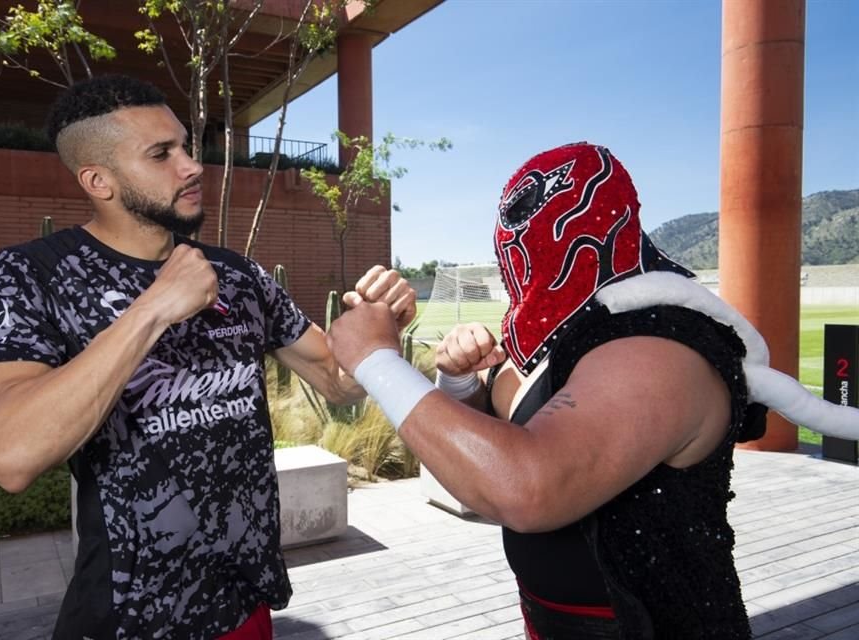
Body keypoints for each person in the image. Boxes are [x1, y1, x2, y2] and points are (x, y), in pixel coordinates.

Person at [326, 142, 859, 639]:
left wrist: (376, 360)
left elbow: (526, 487)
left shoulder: (657, 344)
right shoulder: (569, 334)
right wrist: (458, 379)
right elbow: (485, 451)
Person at [0, 74, 416, 640]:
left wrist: (378, 337)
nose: (191, 165)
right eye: (162, 154)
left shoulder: (239, 273)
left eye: (185, 145)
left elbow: (336, 379)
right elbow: (9, 458)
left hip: (244, 605)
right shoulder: (33, 274)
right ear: (98, 180)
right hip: (128, 618)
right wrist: (150, 310)